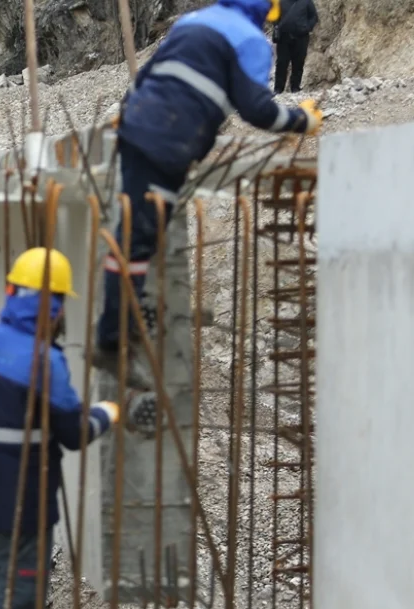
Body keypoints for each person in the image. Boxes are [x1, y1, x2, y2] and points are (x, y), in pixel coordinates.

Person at [95, 0, 324, 412]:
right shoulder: (251, 41)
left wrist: (130, 115)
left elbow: (144, 76)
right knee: (139, 239)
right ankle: (113, 338)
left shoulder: (193, 20)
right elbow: (257, 110)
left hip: (137, 126)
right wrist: (300, 120)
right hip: (168, 141)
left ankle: (122, 323)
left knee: (132, 230)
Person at [0, 247, 122, 609]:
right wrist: (109, 411)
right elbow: (75, 433)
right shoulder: (44, 361)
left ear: (12, 291)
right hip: (24, 512)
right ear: (54, 307)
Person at [273, 0, 318, 93]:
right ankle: (278, 88)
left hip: (301, 37)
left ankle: (295, 87)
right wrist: (277, 27)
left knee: (298, 63)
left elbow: (314, 17)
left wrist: (307, 28)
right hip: (284, 37)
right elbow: (274, 17)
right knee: (281, 63)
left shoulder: (306, 2)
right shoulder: (281, 2)